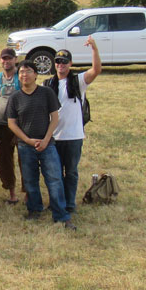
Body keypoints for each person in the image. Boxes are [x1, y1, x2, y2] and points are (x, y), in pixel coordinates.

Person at [7, 60, 74, 229]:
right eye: (21, 72)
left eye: (28, 71)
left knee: (54, 179)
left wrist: (45, 139)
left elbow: (55, 118)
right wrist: (27, 140)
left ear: (36, 74)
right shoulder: (15, 97)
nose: (24, 75)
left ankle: (61, 214)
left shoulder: (46, 92)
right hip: (25, 146)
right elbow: (11, 123)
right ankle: (35, 209)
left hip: (47, 144)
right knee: (30, 180)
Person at [44, 38, 102, 213]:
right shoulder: (47, 84)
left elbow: (96, 70)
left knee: (70, 173)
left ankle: (69, 204)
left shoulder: (78, 81)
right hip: (54, 136)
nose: (60, 64)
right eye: (58, 61)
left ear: (70, 63)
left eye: (64, 61)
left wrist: (94, 49)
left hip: (73, 136)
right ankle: (56, 202)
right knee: (54, 174)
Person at [0, 47, 25, 205]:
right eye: (4, 58)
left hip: (22, 126)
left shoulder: (22, 77)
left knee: (25, 160)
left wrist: (21, 132)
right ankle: (12, 194)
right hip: (2, 126)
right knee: (5, 161)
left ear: (15, 60)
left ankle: (28, 193)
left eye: (9, 58)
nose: (6, 61)